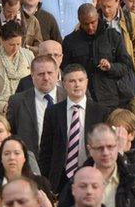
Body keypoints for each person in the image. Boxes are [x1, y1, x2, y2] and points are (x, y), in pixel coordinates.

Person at [56, 123, 135, 207]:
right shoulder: (78, 180)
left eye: (110, 147)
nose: (105, 152)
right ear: (90, 150)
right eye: (100, 148)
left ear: (117, 146)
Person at [38, 64, 109, 194]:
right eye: (72, 81)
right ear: (64, 84)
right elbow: (45, 151)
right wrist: (45, 182)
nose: (77, 84)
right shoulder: (53, 112)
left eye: (81, 80)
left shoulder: (101, 112)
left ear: (87, 82)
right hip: (60, 179)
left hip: (91, 175)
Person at [62, 4, 135, 111]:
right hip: (83, 100)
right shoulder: (70, 41)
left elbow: (126, 66)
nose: (90, 27)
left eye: (93, 22)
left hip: (111, 99)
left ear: (98, 17)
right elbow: (66, 69)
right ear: (79, 21)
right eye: (86, 24)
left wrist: (110, 67)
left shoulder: (113, 36)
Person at [0, 21, 36, 150]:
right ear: (2, 40)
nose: (15, 48)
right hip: (0, 112)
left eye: (18, 44)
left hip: (24, 111)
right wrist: (2, 106)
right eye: (11, 44)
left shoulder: (29, 56)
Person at [6, 55, 65, 155]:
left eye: (50, 73)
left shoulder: (69, 98)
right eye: (41, 74)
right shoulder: (17, 102)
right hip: (30, 163)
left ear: (57, 73)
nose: (46, 78)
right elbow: (10, 134)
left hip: (63, 163)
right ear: (32, 76)